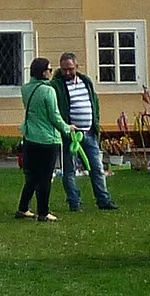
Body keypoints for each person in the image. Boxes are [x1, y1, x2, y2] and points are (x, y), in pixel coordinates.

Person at [54, 52, 117, 211]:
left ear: (77, 67)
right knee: (69, 170)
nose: (67, 73)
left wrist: (95, 123)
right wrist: (65, 127)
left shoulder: (86, 81)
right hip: (70, 135)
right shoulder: (57, 85)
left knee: (97, 167)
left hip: (89, 132)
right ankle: (74, 202)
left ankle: (103, 200)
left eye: (70, 69)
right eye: (64, 70)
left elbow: (94, 102)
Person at [17, 56, 75, 222]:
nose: (51, 72)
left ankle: (23, 208)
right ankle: (43, 212)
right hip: (48, 139)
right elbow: (54, 116)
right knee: (45, 177)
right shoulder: (48, 90)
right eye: (50, 69)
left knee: (32, 176)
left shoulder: (26, 89)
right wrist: (67, 128)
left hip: (30, 137)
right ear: (43, 72)